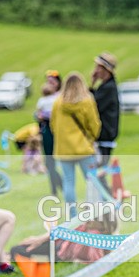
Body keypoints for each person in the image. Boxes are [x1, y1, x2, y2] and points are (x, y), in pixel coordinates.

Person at [51, 71, 101, 218]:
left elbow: (53, 125)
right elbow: (94, 124)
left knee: (68, 183)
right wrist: (91, 138)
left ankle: (73, 216)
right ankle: (93, 213)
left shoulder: (58, 102)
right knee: (92, 181)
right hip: (83, 148)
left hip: (64, 149)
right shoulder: (87, 101)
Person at [90, 52, 120, 169]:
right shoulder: (106, 86)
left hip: (105, 135)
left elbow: (92, 106)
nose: (95, 70)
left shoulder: (108, 88)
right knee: (100, 171)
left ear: (106, 70)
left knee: (100, 171)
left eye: (98, 67)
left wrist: (92, 84)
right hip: (104, 135)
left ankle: (106, 188)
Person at [35, 70, 63, 195]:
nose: (50, 84)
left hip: (58, 132)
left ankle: (61, 185)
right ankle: (56, 187)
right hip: (46, 131)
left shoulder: (60, 97)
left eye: (53, 82)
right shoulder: (45, 98)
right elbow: (37, 114)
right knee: (49, 162)